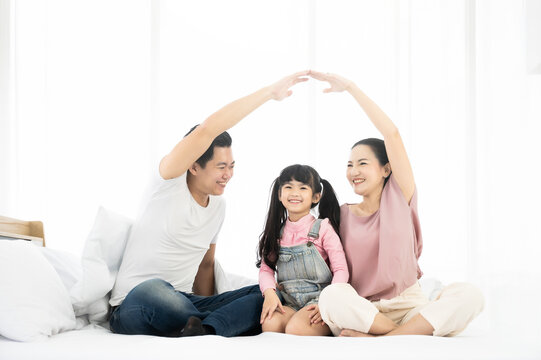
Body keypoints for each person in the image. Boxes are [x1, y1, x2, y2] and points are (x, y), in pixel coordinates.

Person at [108, 71, 310, 337]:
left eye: (232, 166)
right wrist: (268, 93)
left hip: (187, 302)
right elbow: (207, 129)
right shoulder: (167, 183)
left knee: (271, 292)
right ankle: (219, 323)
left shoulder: (218, 206)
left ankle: (204, 329)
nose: (228, 174)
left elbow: (205, 266)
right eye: (221, 167)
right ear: (194, 166)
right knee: (155, 289)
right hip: (136, 304)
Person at [309, 70, 485, 337]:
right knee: (332, 296)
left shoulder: (401, 196)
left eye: (362, 163)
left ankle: (383, 339)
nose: (353, 171)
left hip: (409, 306)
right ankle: (404, 334)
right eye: (349, 165)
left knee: (470, 295)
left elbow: (391, 133)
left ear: (386, 169)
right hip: (365, 312)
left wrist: (351, 87)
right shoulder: (341, 214)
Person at [257, 164, 349, 336]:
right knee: (270, 324)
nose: (295, 193)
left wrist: (328, 304)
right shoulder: (276, 232)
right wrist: (269, 293)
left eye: (303, 188)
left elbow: (341, 270)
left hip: (319, 303)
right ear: (279, 194)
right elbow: (266, 269)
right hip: (289, 302)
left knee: (296, 328)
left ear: (316, 196)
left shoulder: (323, 228)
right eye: (288, 187)